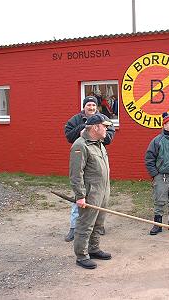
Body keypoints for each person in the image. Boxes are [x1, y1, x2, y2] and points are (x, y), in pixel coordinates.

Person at [64, 95, 115, 242]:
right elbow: (69, 135)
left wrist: (96, 134)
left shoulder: (103, 118)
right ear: (84, 107)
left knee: (99, 199)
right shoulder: (76, 120)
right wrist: (84, 129)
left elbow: (110, 137)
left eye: (93, 105)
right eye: (88, 105)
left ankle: (98, 227)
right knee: (80, 198)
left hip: (96, 157)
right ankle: (74, 228)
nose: (91, 108)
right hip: (83, 157)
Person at [70, 114, 113, 269]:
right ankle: (81, 256)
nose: (107, 129)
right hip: (90, 192)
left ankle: (93, 249)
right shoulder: (80, 145)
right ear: (95, 127)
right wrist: (80, 196)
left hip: (103, 190)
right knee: (85, 224)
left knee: (98, 223)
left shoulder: (99, 143)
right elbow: (76, 174)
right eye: (105, 126)